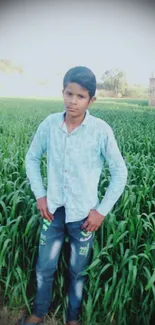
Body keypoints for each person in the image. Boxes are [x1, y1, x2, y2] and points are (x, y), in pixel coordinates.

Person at [20, 66, 128, 325]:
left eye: (80, 96)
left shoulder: (100, 131)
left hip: (84, 217)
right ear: (63, 92)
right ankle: (39, 313)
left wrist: (100, 211)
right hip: (52, 211)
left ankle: (72, 319)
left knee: (78, 271)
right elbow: (32, 158)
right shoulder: (50, 124)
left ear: (92, 100)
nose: (73, 101)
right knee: (44, 268)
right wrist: (40, 195)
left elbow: (119, 172)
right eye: (69, 93)